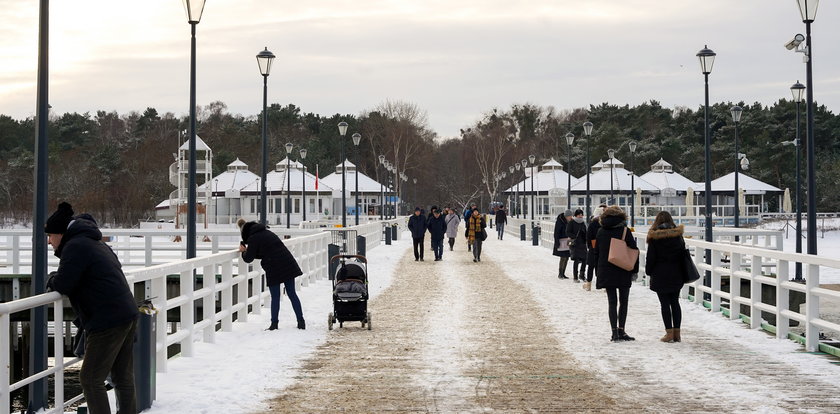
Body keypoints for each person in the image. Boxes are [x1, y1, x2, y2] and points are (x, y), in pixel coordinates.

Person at [45, 202, 139, 414]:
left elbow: (63, 283)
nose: (49, 241)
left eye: (50, 235)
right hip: (125, 313)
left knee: (90, 378)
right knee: (122, 377)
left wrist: (51, 278)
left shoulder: (76, 246)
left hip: (107, 320)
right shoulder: (93, 242)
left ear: (60, 233)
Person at [238, 219, 305, 330]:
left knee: (275, 296)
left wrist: (243, 252)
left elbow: (248, 258)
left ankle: (274, 324)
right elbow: (265, 251)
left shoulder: (253, 238)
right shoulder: (267, 233)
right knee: (292, 294)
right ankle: (301, 321)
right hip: (287, 263)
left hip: (273, 267)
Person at [593, 205, 639, 342]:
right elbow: (634, 250)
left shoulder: (601, 231)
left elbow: (597, 253)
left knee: (612, 302)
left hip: (606, 270)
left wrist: (598, 271)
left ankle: (614, 333)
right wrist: (634, 270)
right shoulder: (625, 231)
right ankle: (622, 330)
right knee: (623, 301)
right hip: (623, 269)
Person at [645, 211, 686, 343]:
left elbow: (651, 257)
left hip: (660, 273)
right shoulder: (678, 236)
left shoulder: (654, 237)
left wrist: (649, 271)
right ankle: (677, 334)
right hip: (676, 272)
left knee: (664, 304)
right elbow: (683, 254)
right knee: (675, 302)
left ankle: (668, 333)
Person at [583, 204, 607, 291]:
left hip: (593, 246)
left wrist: (590, 246)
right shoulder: (604, 223)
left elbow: (588, 237)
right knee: (601, 266)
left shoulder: (592, 224)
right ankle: (603, 285)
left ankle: (589, 284)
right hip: (603, 247)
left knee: (591, 267)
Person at [566, 209, 588, 283]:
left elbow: (586, 232)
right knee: (576, 260)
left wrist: (585, 235)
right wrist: (575, 236)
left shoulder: (583, 223)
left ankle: (582, 274)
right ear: (576, 215)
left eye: (581, 214)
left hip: (582, 243)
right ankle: (575, 276)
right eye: (579, 214)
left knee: (584, 260)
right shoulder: (572, 222)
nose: (580, 216)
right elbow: (568, 232)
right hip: (575, 244)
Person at [552, 209, 573, 279]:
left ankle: (563, 273)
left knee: (567, 257)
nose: (571, 217)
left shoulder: (570, 222)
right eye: (570, 216)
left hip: (568, 240)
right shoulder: (560, 222)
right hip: (562, 241)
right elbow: (556, 232)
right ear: (566, 216)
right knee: (563, 257)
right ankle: (560, 273)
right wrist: (557, 242)